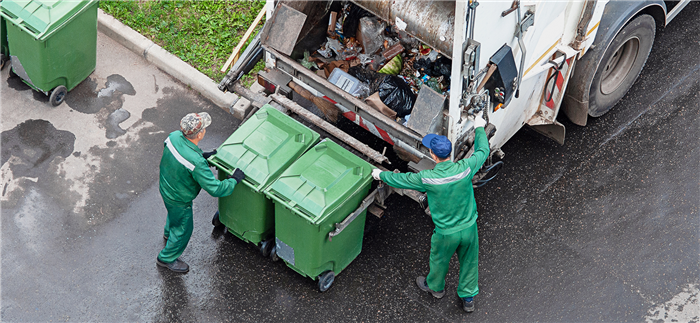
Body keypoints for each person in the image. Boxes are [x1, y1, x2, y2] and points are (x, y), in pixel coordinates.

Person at [372, 114, 489, 312]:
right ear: (449, 153)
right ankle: (468, 298)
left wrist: (380, 174)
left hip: (446, 233)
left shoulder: (428, 178)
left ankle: (436, 288)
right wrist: (479, 128)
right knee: (470, 262)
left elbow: (403, 180)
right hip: (469, 228)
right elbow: (483, 150)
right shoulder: (466, 168)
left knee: (439, 260)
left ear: (433, 156)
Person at [157, 112, 245, 273]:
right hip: (179, 197)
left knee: (173, 215)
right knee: (183, 228)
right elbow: (216, 189)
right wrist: (234, 180)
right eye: (204, 128)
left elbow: (180, 156)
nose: (205, 130)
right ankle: (166, 258)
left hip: (166, 186)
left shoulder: (173, 136)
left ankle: (168, 234)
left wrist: (202, 156)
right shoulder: (196, 163)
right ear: (199, 134)